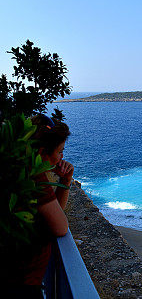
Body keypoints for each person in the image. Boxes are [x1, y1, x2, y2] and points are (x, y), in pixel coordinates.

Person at [3, 114, 72, 298]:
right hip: (21, 285)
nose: (61, 158)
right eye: (59, 152)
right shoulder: (33, 179)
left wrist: (65, 181)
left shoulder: (14, 169)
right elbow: (60, 226)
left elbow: (54, 211)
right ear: (41, 153)